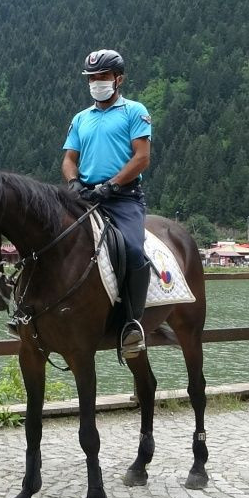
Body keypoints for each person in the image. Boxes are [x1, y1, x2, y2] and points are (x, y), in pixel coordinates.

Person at [62, 49, 153, 352]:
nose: (96, 82)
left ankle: (132, 323)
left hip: (123, 198)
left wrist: (112, 185)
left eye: (102, 76)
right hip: (85, 196)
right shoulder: (80, 118)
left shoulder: (134, 111)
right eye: (91, 78)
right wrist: (73, 182)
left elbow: (142, 158)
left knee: (134, 250)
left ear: (118, 79)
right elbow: (69, 159)